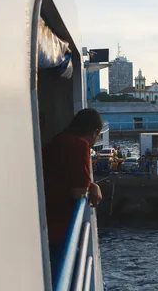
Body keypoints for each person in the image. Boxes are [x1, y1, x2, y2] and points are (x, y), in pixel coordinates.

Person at [42, 108, 104, 275]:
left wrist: (91, 185)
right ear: (94, 132)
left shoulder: (59, 140)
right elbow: (78, 191)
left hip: (46, 222)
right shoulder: (79, 145)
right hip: (59, 228)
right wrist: (89, 188)